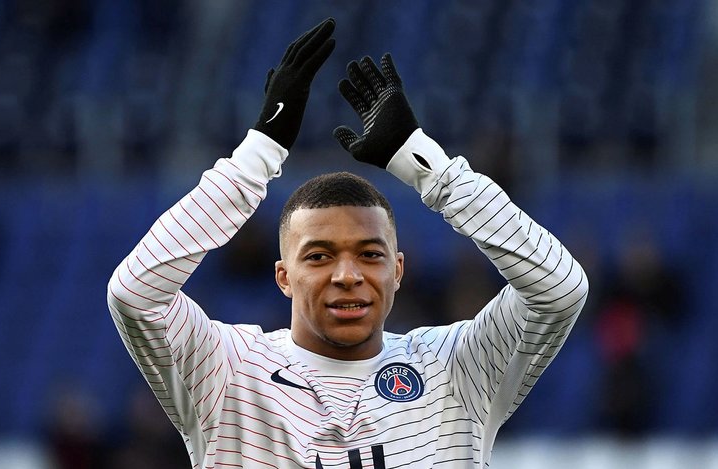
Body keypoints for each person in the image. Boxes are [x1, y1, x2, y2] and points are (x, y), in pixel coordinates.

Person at [108, 18, 588, 468]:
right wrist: (259, 153)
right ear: (283, 277)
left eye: (370, 254)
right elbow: (135, 294)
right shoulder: (228, 371)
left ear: (397, 271)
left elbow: (561, 288)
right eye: (319, 256)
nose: (347, 275)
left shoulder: (455, 370)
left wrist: (430, 169)